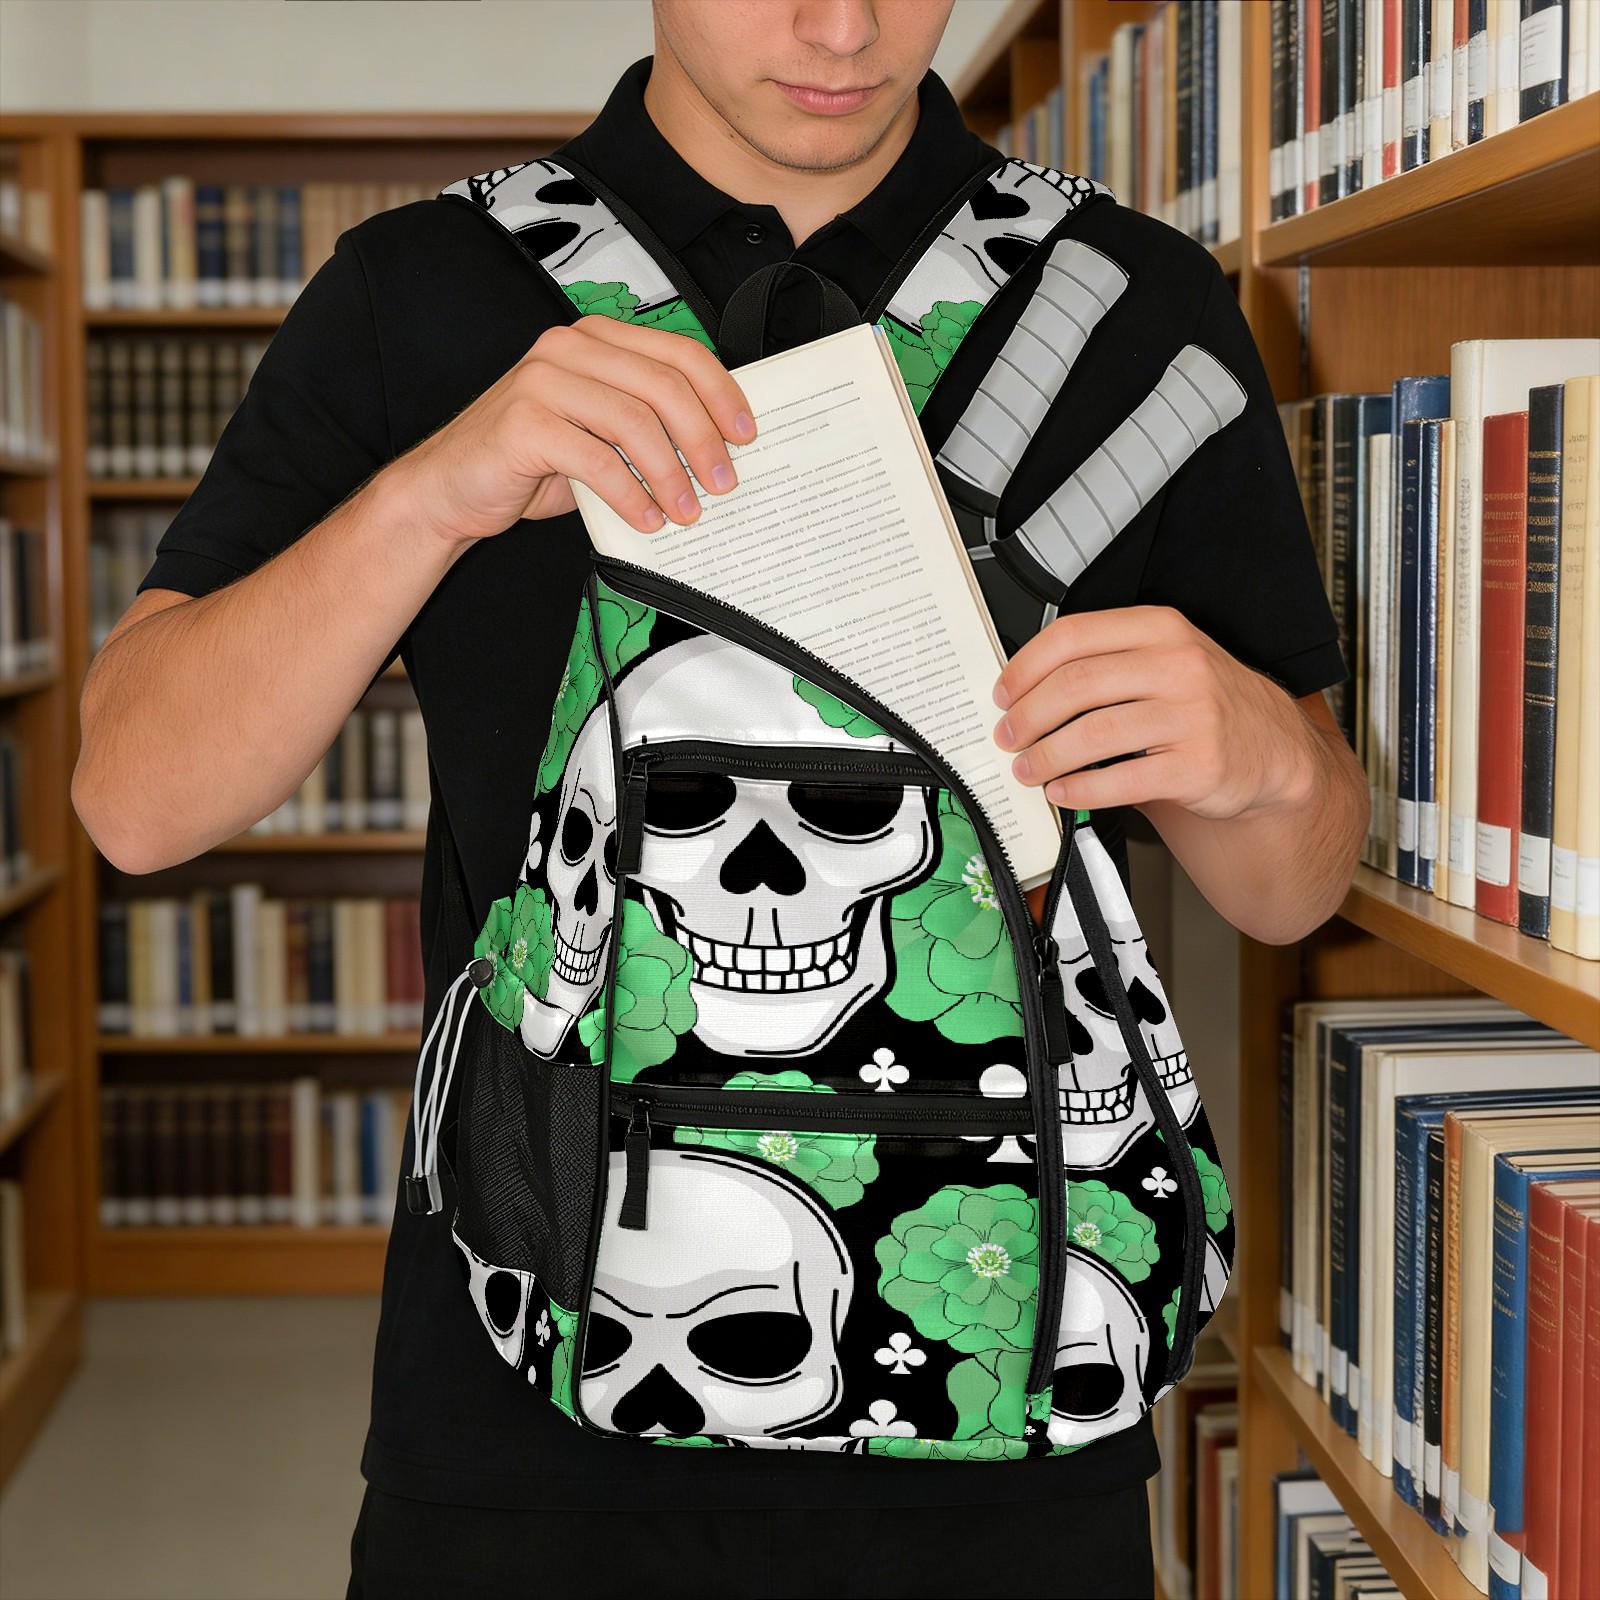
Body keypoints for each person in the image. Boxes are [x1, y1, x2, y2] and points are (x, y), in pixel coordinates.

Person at [70, 2, 1369, 1596]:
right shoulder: (420, 293)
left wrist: (1265, 754)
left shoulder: (1135, 307)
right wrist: (427, 498)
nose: (844, 26)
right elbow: (135, 799)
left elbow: (1291, 891)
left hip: (1021, 1397)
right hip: (521, 1428)